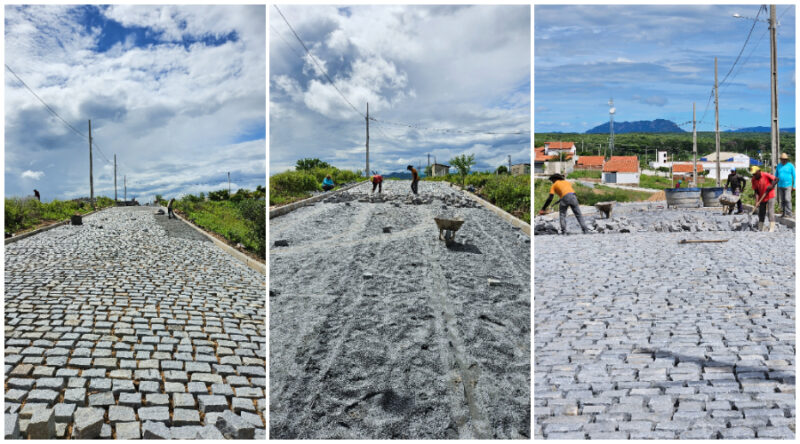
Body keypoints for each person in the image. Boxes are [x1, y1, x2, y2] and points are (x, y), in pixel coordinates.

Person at [750, 166, 778, 232]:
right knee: (761, 212)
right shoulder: (753, 179)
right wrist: (757, 201)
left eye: (755, 174)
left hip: (770, 195)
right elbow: (756, 191)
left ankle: (772, 227)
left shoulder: (765, 175)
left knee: (770, 211)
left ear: (759, 171)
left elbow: (776, 179)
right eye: (753, 174)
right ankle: (760, 226)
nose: (754, 175)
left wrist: (772, 185)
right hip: (762, 197)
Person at [775, 153, 795, 218]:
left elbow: (794, 176)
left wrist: (794, 185)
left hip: (788, 185)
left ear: (787, 159)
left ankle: (789, 213)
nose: (783, 160)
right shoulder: (778, 166)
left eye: (785, 159)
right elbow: (776, 175)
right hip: (780, 185)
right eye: (782, 159)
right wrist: (774, 183)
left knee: (787, 199)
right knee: (782, 200)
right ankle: (784, 213)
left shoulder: (790, 166)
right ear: (781, 159)